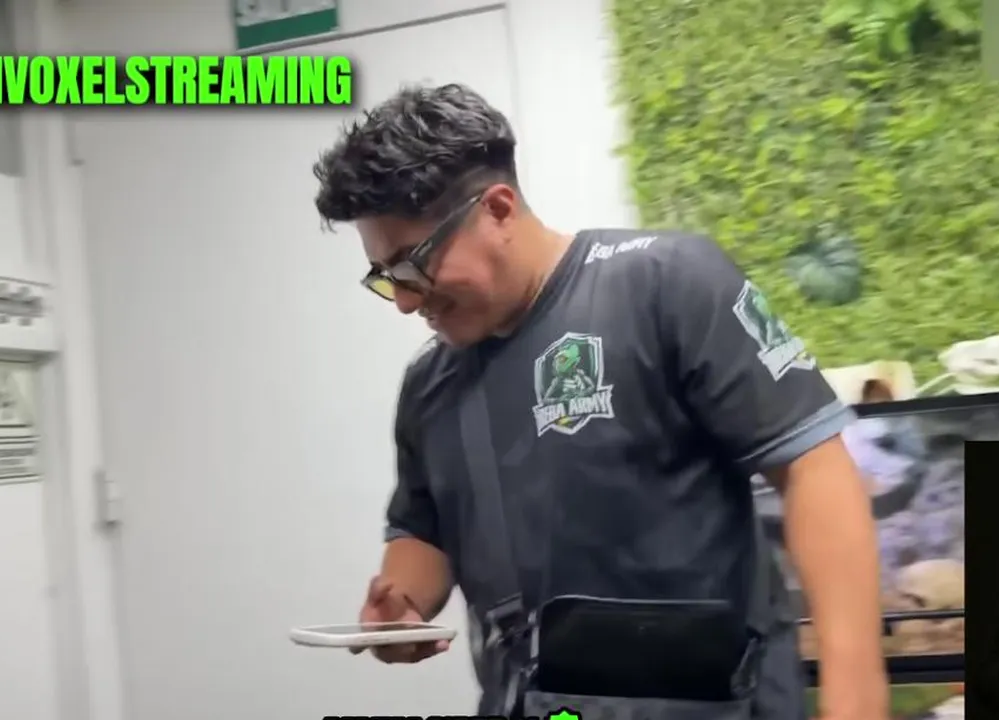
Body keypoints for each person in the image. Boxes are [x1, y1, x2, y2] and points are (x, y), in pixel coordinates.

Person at [312, 83, 889, 720]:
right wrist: (400, 609)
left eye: (413, 265)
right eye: (386, 276)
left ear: (497, 209)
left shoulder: (667, 285)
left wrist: (856, 700)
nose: (404, 301)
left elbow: (815, 471)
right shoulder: (429, 385)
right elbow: (425, 531)